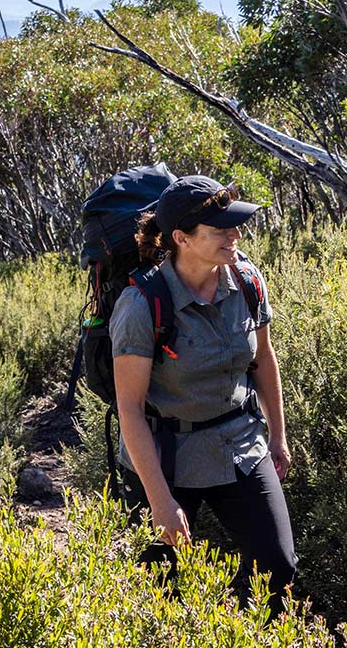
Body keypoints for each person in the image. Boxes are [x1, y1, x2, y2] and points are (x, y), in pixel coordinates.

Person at [111, 174, 297, 617]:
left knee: (277, 565)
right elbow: (130, 410)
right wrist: (160, 501)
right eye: (221, 230)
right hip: (165, 455)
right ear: (181, 239)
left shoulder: (248, 281)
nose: (235, 236)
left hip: (239, 441)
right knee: (158, 590)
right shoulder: (142, 306)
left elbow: (264, 360)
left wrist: (278, 437)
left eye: (235, 226)